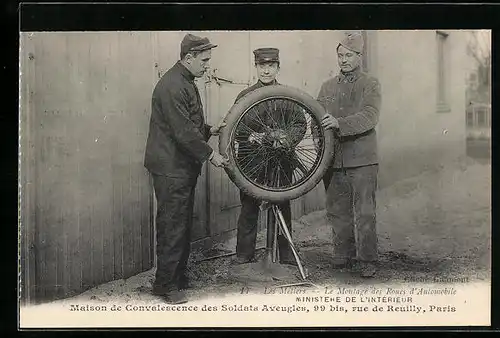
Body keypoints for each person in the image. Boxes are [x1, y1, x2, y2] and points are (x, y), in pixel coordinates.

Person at [144, 33, 228, 304]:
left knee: (179, 224)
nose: (207, 66)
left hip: (180, 167)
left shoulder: (185, 80)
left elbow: (188, 123)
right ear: (188, 58)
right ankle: (166, 285)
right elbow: (182, 131)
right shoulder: (172, 85)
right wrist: (210, 154)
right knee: (172, 225)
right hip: (171, 169)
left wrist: (209, 129)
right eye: (204, 60)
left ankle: (176, 277)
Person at [233, 47, 307, 265]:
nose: (266, 71)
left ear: (278, 67)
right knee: (249, 206)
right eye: (262, 66)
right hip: (252, 161)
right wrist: (251, 137)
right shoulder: (244, 96)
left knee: (282, 203)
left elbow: (300, 123)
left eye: (271, 66)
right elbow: (234, 129)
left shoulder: (287, 95)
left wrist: (287, 138)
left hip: (281, 160)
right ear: (256, 67)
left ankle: (285, 255)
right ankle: (243, 254)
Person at [317, 32, 382, 278]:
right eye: (340, 55)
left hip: (363, 159)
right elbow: (316, 116)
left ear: (359, 56)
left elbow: (370, 116)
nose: (343, 60)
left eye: (348, 55)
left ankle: (367, 259)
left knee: (364, 212)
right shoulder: (327, 86)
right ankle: (343, 253)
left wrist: (339, 124)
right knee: (337, 210)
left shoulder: (370, 84)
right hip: (334, 159)